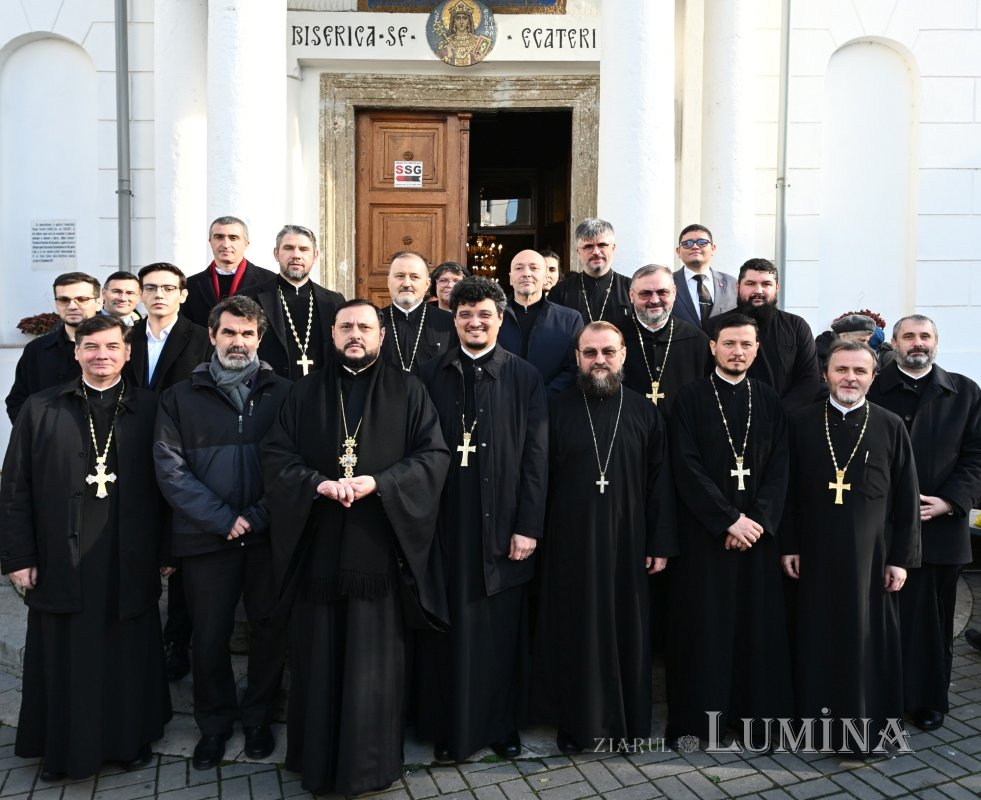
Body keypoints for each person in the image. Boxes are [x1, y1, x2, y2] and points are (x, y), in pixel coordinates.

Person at [262, 299, 450, 795]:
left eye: (365, 327)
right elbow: (276, 455)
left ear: (381, 336)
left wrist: (380, 483)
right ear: (332, 333)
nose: (355, 334)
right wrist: (314, 484)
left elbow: (433, 456)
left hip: (378, 546)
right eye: (346, 326)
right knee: (318, 654)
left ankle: (369, 767)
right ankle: (317, 760)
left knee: (374, 662)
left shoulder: (409, 391)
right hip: (320, 545)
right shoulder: (304, 392)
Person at [0, 315, 172, 780]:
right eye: (91, 347)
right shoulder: (41, 408)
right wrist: (18, 557)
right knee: (67, 654)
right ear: (75, 352)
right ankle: (63, 749)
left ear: (128, 352)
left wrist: (167, 552)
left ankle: (128, 740)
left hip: (128, 555)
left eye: (112, 346)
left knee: (126, 653)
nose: (102, 355)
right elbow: (14, 487)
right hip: (60, 556)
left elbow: (170, 487)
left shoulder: (154, 408)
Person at [154, 296, 291, 769]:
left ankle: (257, 718)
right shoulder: (179, 397)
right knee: (208, 637)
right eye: (229, 332)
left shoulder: (285, 393)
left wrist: (256, 515)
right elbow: (170, 470)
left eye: (247, 333)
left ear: (260, 338)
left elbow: (295, 468)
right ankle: (213, 725)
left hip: (266, 535)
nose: (238, 341)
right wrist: (221, 518)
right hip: (205, 538)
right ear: (211, 336)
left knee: (268, 631)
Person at [417, 277, 549, 763]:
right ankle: (450, 727)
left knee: (499, 631)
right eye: (465, 314)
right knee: (448, 629)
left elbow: (537, 457)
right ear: (454, 320)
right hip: (445, 524)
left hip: (504, 524)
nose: (475, 322)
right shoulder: (432, 374)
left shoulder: (524, 376)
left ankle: (500, 726)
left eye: (484, 314)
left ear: (499, 319)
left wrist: (529, 526)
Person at [535, 321, 676, 754]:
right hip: (569, 543)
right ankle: (579, 726)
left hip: (629, 545)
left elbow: (660, 483)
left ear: (623, 356)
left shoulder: (644, 412)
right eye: (591, 353)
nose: (600, 360)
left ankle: (629, 727)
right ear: (577, 358)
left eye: (608, 352)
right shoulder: (555, 408)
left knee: (627, 633)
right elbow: (540, 479)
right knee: (575, 632)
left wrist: (659, 542)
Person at [782, 340, 921, 753]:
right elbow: (787, 493)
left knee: (867, 641)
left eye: (860, 371)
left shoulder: (890, 424)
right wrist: (788, 545)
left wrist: (900, 559)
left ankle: (869, 730)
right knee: (816, 637)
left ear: (873, 377)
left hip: (872, 558)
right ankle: (814, 730)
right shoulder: (801, 422)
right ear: (826, 373)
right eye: (842, 370)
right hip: (815, 554)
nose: (850, 378)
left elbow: (907, 498)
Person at [666, 312, 794, 745]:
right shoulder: (689, 399)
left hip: (757, 539)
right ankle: (701, 722)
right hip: (707, 537)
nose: (737, 352)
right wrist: (727, 519)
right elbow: (685, 466)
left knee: (756, 632)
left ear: (757, 350)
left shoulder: (771, 400)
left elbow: (780, 468)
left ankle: (756, 720)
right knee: (705, 630)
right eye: (729, 344)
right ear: (713, 347)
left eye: (746, 345)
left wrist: (755, 521)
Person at [866, 315, 981, 732]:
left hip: (941, 529)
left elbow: (977, 455)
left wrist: (950, 500)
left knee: (934, 621)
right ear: (893, 343)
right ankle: (886, 698)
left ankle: (930, 700)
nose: (917, 343)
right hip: (882, 530)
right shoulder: (872, 388)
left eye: (925, 336)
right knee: (885, 617)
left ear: (936, 341)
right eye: (909, 336)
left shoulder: (964, 392)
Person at [126, 262, 211, 682]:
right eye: (151, 288)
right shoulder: (125, 340)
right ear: (140, 294)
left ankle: (178, 640)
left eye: (168, 288)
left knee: (179, 552)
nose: (159, 294)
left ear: (183, 294)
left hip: (184, 455)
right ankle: (138, 636)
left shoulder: (200, 338)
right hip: (134, 456)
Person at [249, 224, 344, 380]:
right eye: (288, 248)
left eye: (304, 249)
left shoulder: (334, 301)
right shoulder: (251, 298)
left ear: (315, 256)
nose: (296, 255)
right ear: (276, 254)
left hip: (322, 392)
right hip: (270, 391)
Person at [6, 272, 102, 423]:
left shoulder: (117, 348)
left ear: (98, 302)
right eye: (64, 300)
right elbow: (17, 400)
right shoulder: (36, 349)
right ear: (56, 303)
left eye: (82, 299)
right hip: (45, 442)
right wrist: (34, 434)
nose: (72, 306)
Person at [732, 257, 820, 414]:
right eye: (750, 284)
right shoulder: (716, 326)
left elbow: (809, 380)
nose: (758, 290)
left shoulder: (796, 326)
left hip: (785, 422)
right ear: (738, 287)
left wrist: (777, 414)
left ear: (777, 288)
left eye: (766, 284)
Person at [622, 264, 710, 419]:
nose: (655, 300)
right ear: (631, 296)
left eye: (662, 292)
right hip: (628, 432)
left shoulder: (698, 340)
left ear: (674, 293)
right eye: (645, 294)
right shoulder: (615, 337)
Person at [499, 249, 583, 395]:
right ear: (510, 278)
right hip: (500, 406)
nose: (526, 273)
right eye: (519, 268)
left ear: (545, 277)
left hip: (551, 409)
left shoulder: (570, 320)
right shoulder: (491, 317)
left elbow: (574, 367)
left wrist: (541, 397)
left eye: (534, 268)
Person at [183, 216, 273, 327]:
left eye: (233, 238)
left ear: (246, 243)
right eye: (219, 237)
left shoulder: (270, 281)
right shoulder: (190, 285)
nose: (226, 244)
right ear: (210, 242)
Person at [380, 250, 455, 374]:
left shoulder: (449, 323)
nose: (406, 283)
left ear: (427, 284)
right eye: (399, 276)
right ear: (388, 282)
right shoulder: (373, 322)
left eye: (414, 277)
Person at [547, 218, 631, 327]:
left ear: (613, 248)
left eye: (602, 245)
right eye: (588, 246)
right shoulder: (560, 292)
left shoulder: (631, 288)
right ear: (578, 252)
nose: (596, 252)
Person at [671, 224, 737, 328]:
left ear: (713, 249)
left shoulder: (732, 284)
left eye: (702, 242)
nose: (695, 246)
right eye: (687, 243)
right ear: (678, 252)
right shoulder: (667, 283)